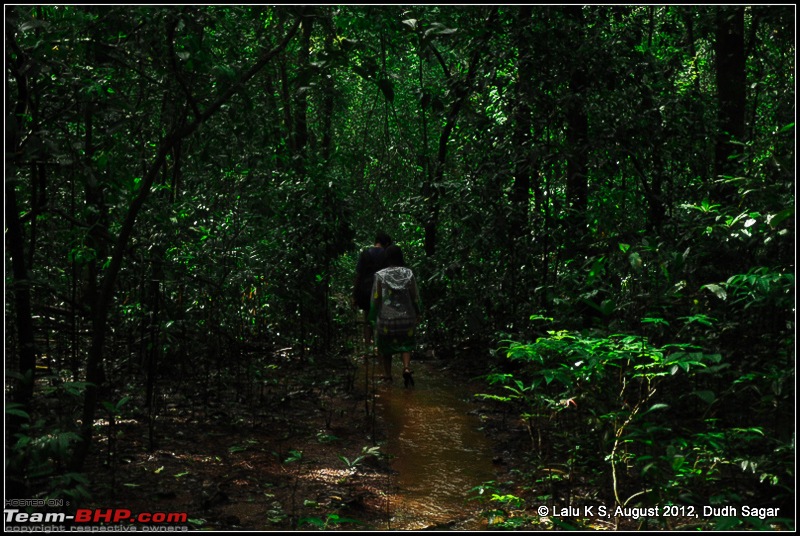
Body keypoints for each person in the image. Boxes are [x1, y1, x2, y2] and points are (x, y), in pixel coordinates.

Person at [368, 244, 422, 387]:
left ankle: (387, 376)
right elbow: (414, 296)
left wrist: (373, 315)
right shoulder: (409, 273)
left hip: (387, 319)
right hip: (406, 318)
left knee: (386, 347)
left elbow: (376, 297)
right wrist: (418, 311)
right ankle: (406, 367)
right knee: (406, 344)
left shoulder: (380, 275)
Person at [353, 232, 392, 346]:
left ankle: (367, 347)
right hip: (382, 290)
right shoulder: (387, 254)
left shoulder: (365, 253)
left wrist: (355, 295)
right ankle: (380, 347)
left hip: (366, 291)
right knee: (382, 318)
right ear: (387, 243)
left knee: (367, 319)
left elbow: (359, 275)